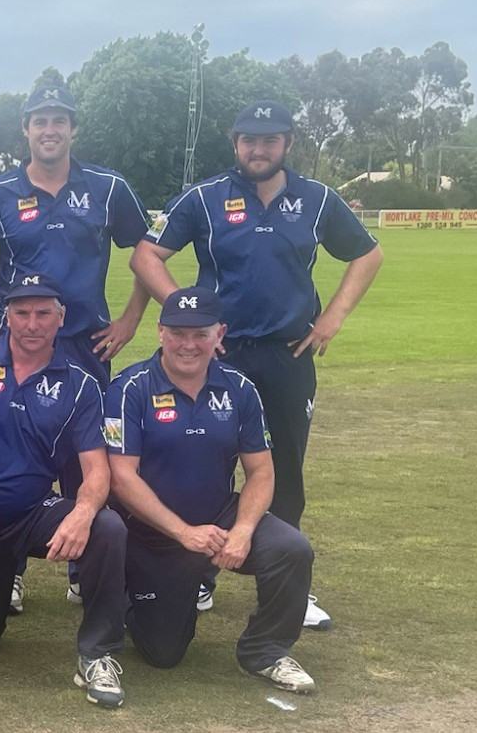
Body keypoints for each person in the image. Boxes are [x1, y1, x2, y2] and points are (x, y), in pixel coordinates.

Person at [129, 99, 382, 630]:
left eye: (269, 140)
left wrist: (332, 317)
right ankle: (197, 572)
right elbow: (145, 256)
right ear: (234, 142)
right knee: (201, 463)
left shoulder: (316, 200)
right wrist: (189, 321)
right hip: (223, 354)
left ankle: (286, 587)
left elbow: (368, 254)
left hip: (288, 355)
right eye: (248, 140)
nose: (258, 149)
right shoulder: (205, 198)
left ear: (287, 143)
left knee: (282, 468)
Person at [0, 84, 150, 617]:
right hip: (15, 341)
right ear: (25, 129)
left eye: (59, 121)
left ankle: (81, 561)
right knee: (4, 453)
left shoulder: (108, 188)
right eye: (40, 121)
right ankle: (8, 565)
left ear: (72, 128)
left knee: (86, 456)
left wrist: (131, 319)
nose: (49, 130)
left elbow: (146, 253)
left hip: (85, 342)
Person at [103, 287, 317, 700]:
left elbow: (261, 472)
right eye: (178, 333)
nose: (189, 344)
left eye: (200, 334)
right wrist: (184, 534)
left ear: (220, 334)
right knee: (163, 654)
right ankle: (136, 594)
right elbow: (122, 479)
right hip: (155, 535)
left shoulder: (239, 388)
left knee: (292, 548)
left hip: (219, 518)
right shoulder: (130, 387)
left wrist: (243, 530)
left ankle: (265, 651)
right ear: (160, 331)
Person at [0, 272, 127, 686]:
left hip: (29, 514)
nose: (32, 323)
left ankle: (97, 655)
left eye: (43, 313)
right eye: (21, 312)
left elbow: (97, 469)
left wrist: (82, 511)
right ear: (6, 315)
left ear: (62, 319)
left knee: (106, 527)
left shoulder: (81, 385)